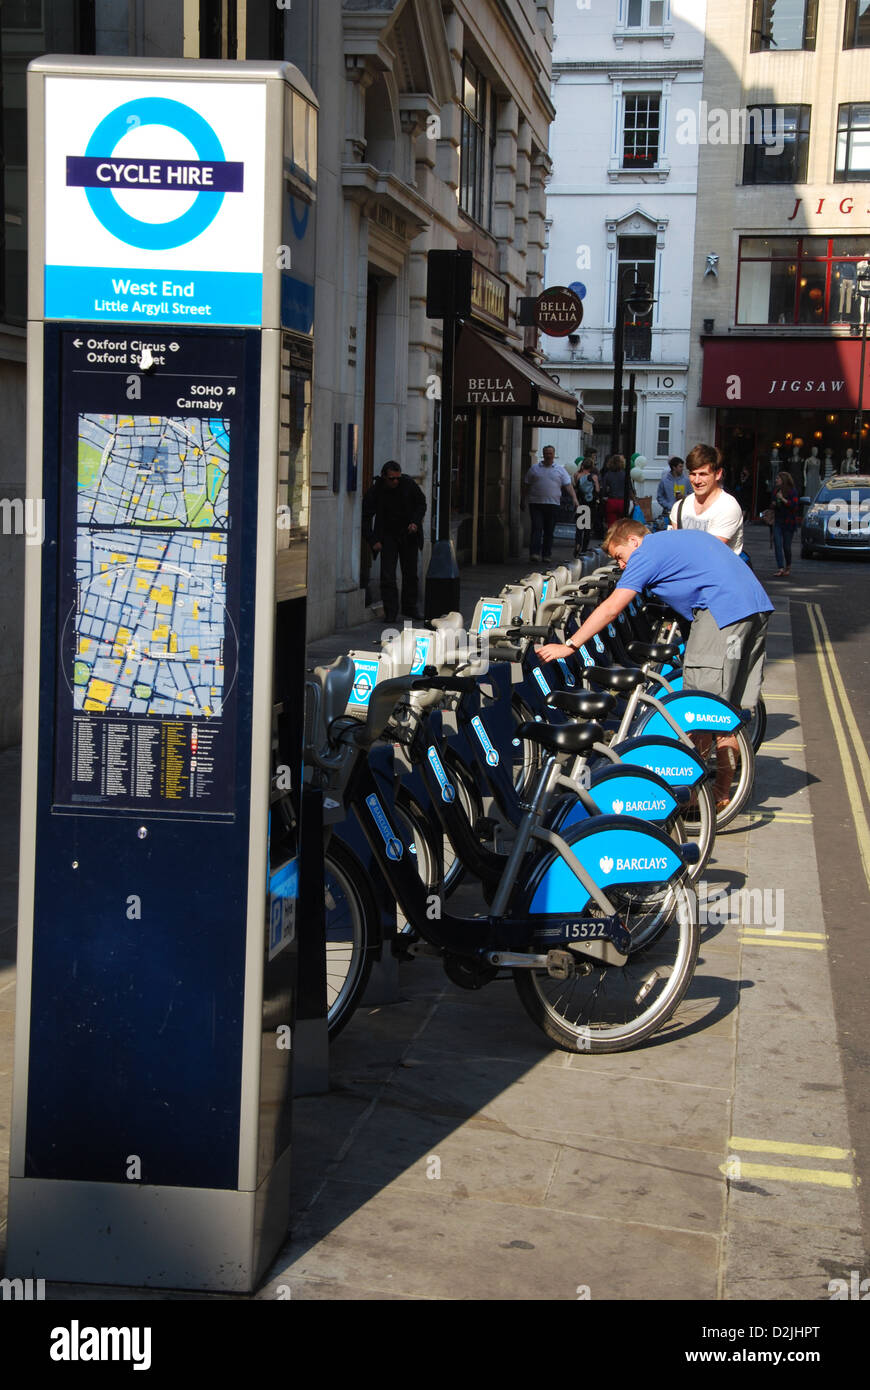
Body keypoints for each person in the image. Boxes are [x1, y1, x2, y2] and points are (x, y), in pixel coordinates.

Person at [537, 520, 773, 810]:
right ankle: (722, 792)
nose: (621, 565)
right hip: (753, 608)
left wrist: (570, 644)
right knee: (725, 712)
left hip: (722, 613)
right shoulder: (669, 543)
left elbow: (612, 607)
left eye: (620, 556)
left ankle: (698, 795)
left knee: (700, 709)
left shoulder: (646, 552)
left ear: (634, 541)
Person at [362, 460, 426, 622]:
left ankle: (410, 607)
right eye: (391, 478)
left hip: (408, 534)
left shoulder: (408, 484)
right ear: (384, 477)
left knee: (411, 573)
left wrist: (415, 522)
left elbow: (421, 503)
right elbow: (365, 517)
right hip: (388, 536)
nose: (395, 481)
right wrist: (372, 539)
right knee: (388, 575)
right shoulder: (376, 490)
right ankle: (391, 611)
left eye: (397, 478)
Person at [670, 442, 743, 554]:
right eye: (693, 474)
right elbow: (675, 548)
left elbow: (709, 551)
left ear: (718, 474)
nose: (697, 481)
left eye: (703, 474)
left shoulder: (728, 507)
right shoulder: (680, 506)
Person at [520, 445, 578, 563]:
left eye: (550, 453)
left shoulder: (560, 470)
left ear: (553, 455)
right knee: (537, 528)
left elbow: (568, 485)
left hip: (553, 504)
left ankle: (546, 554)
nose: (548, 456)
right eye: (546, 453)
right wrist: (522, 499)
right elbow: (526, 485)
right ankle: (535, 553)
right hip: (536, 503)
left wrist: (574, 498)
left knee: (549, 530)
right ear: (543, 454)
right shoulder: (534, 469)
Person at [771, 471, 800, 577]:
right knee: (778, 544)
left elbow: (794, 506)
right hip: (778, 521)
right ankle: (780, 568)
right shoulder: (776, 491)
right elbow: (773, 504)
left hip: (789, 522)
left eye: (778, 478)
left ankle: (788, 566)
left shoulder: (792, 491)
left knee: (786, 546)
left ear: (783, 480)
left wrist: (782, 499)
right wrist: (774, 503)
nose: (776, 480)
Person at [572, 457, 599, 555]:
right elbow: (597, 490)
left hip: (581, 502)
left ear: (582, 465)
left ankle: (577, 543)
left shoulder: (577, 475)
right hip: (590, 504)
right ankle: (584, 548)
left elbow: (575, 487)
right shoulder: (594, 477)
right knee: (587, 527)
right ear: (592, 467)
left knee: (579, 526)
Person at [600, 454, 633, 530]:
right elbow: (629, 489)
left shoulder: (607, 475)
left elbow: (604, 489)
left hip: (611, 501)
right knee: (622, 524)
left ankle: (611, 539)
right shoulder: (625, 475)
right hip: (623, 501)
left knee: (611, 524)